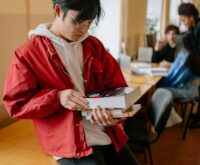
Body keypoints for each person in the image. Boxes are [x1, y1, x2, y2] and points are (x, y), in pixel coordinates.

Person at [3, 0, 139, 164]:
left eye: (89, 22)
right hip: (68, 145)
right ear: (58, 10)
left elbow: (117, 87)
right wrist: (58, 97)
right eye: (78, 21)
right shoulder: (27, 54)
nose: (84, 29)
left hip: (107, 134)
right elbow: (16, 104)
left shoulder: (94, 46)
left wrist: (112, 113)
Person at [178, 2, 200, 128]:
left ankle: (198, 119)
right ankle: (197, 116)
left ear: (191, 17)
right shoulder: (193, 27)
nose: (184, 23)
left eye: (184, 20)